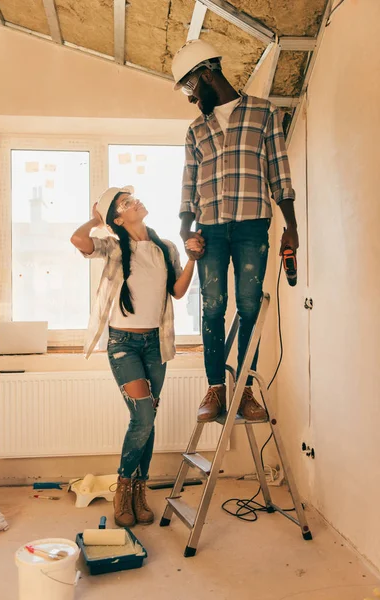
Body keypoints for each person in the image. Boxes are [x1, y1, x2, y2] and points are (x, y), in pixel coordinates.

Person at [172, 39, 299, 423]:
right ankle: (215, 389)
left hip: (251, 226)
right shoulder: (196, 131)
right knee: (212, 309)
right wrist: (184, 231)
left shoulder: (264, 114)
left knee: (247, 308)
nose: (192, 99)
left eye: (191, 89)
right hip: (210, 228)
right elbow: (188, 186)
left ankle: (244, 392)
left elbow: (280, 173)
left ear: (207, 76)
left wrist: (291, 227)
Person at [70, 186, 202, 527]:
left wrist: (191, 259)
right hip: (123, 344)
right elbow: (78, 241)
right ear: (118, 217)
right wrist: (96, 219)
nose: (135, 202)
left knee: (147, 418)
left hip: (155, 343)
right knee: (143, 414)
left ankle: (139, 492)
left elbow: (177, 290)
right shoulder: (114, 247)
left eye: (134, 198)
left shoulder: (165, 247)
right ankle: (124, 488)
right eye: (126, 203)